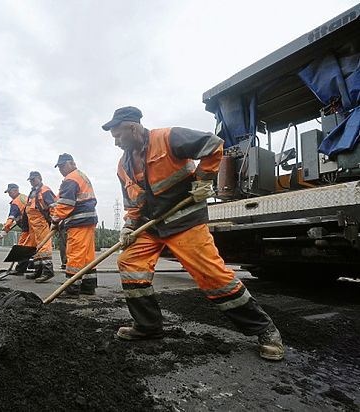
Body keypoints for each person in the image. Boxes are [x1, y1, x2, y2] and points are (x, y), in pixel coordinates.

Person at [102, 106, 284, 361]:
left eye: (118, 136)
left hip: (184, 220)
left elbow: (213, 145)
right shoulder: (124, 165)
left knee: (211, 274)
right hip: (152, 225)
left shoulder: (169, 138)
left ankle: (265, 330)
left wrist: (202, 180)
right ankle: (147, 326)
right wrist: (129, 226)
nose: (116, 143)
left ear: (133, 128)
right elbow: (132, 201)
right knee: (130, 262)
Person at [50, 153, 98, 297]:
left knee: (75, 254)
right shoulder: (81, 176)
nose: (61, 169)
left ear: (72, 163)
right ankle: (88, 286)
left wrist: (55, 220)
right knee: (87, 255)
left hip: (79, 221)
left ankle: (72, 288)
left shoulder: (70, 179)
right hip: (88, 219)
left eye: (63, 166)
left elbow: (65, 204)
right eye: (59, 167)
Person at [25, 171, 57, 282]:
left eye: (33, 179)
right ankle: (38, 271)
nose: (32, 182)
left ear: (40, 178)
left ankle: (48, 271)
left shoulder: (45, 190)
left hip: (41, 222)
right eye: (30, 180)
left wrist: (54, 220)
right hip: (32, 225)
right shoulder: (33, 192)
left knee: (44, 247)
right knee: (36, 247)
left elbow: (53, 206)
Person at [1, 183, 32, 275]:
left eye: (9, 192)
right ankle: (35, 266)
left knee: (22, 246)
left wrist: (5, 228)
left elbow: (12, 216)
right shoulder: (24, 197)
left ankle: (20, 269)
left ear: (15, 190)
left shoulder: (16, 202)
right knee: (32, 247)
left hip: (28, 227)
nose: (9, 194)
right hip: (34, 225)